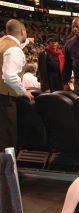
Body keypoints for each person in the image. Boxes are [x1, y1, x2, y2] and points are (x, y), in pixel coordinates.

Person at [0, 19, 33, 151]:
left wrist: (27, 41)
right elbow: (9, 76)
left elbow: (12, 49)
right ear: (22, 31)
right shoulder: (14, 50)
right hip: (6, 98)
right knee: (7, 137)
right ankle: (8, 170)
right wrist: (22, 91)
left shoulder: (3, 42)